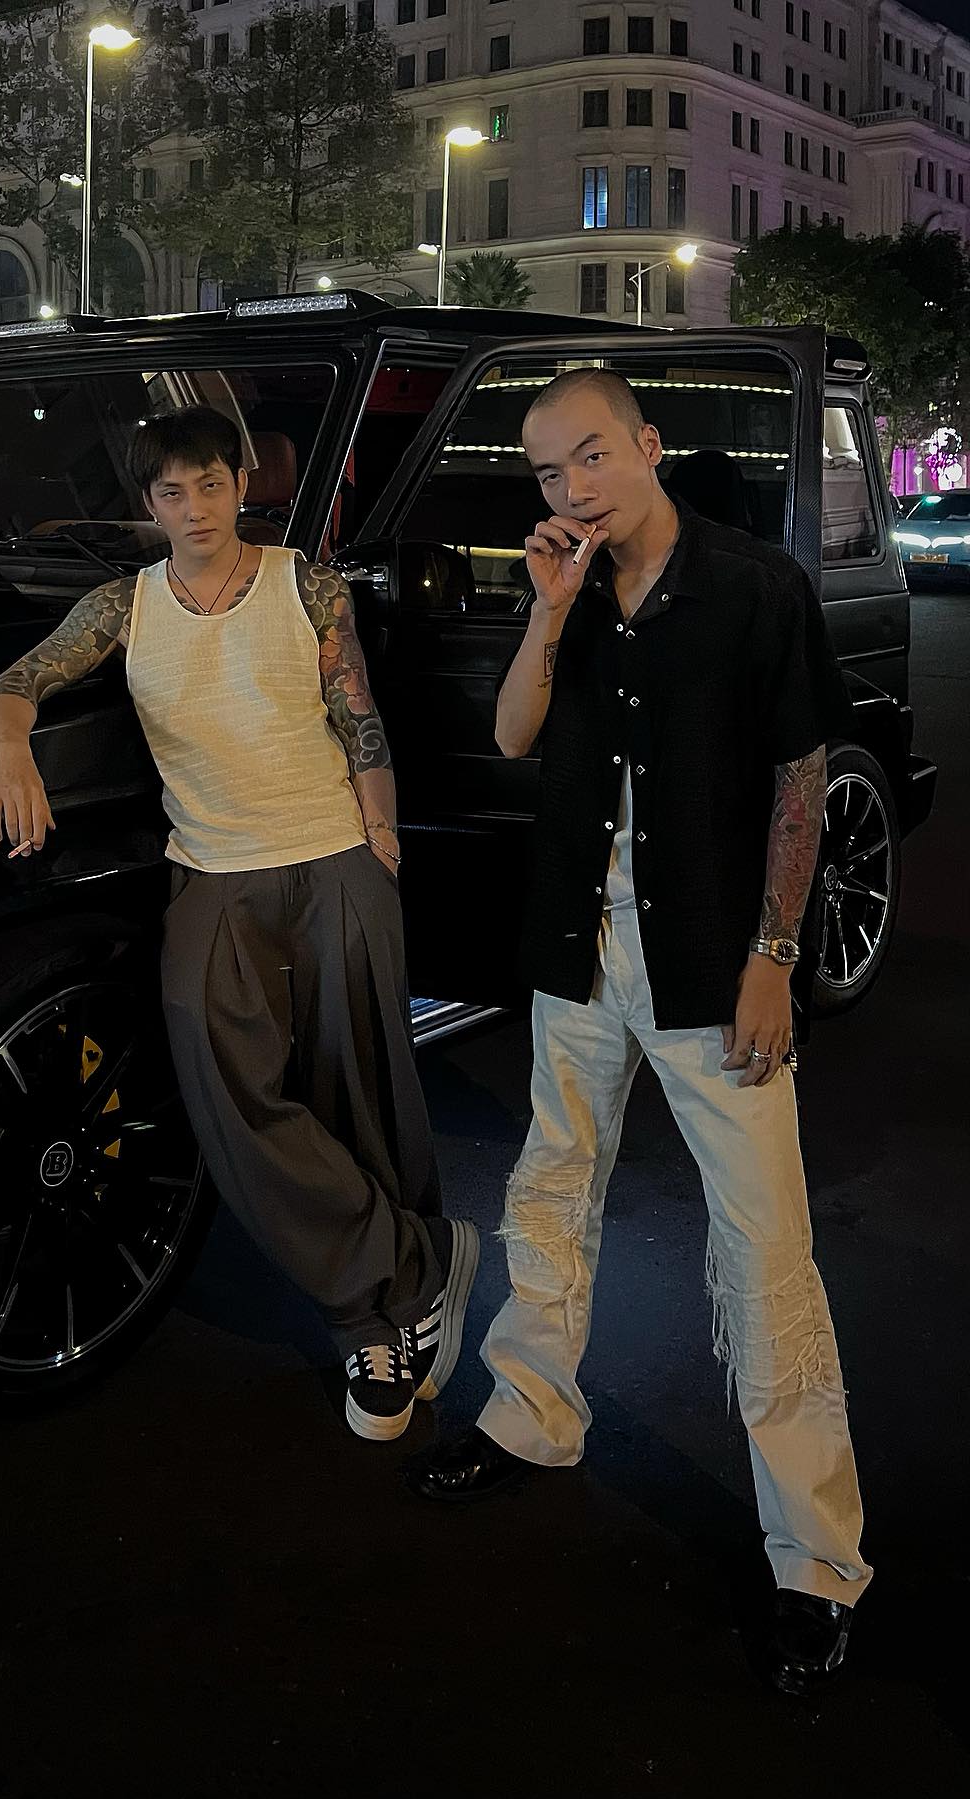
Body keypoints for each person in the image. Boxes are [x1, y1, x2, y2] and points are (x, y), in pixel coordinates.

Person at [406, 369, 869, 1696]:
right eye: (549, 471)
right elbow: (513, 735)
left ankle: (816, 1558)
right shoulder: (571, 582)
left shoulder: (754, 586)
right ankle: (530, 1412)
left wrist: (775, 955)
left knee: (764, 1246)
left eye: (594, 455)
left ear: (650, 445)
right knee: (552, 1184)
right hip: (577, 946)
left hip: (714, 961)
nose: (574, 487)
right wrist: (548, 610)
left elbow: (802, 774)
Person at [0, 405, 478, 1441]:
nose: (196, 507)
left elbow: (359, 715)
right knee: (232, 1101)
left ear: (241, 484)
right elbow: (15, 683)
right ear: (149, 503)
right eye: (173, 491)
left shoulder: (307, 584)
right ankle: (416, 1263)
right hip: (210, 874)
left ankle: (372, 1325)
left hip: (333, 856)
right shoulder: (123, 605)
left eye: (211, 484)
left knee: (361, 1088)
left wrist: (381, 841)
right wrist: (11, 751)